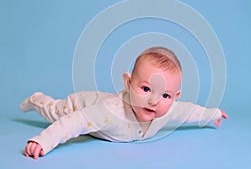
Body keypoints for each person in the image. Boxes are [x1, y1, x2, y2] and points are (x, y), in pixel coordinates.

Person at [20, 46, 228, 159]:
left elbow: (188, 112)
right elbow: (74, 122)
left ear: (175, 96)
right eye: (145, 89)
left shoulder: (168, 109)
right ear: (128, 83)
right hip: (81, 106)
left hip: (95, 110)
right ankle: (36, 99)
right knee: (54, 111)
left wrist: (212, 114)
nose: (154, 101)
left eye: (165, 95)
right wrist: (43, 141)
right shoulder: (111, 111)